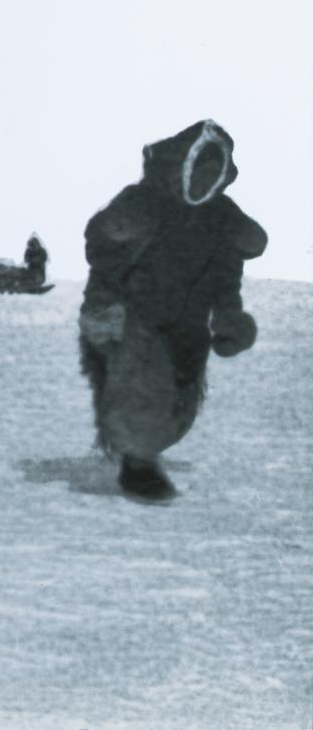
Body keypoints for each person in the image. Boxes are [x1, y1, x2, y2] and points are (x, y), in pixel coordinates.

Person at [79, 120, 266, 502]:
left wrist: (229, 316)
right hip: (136, 316)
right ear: (182, 166)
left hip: (187, 324)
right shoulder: (144, 203)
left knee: (179, 401)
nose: (205, 183)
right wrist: (102, 308)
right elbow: (106, 258)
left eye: (214, 177)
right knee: (142, 383)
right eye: (200, 171)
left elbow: (227, 275)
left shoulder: (220, 217)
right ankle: (138, 464)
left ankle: (142, 448)